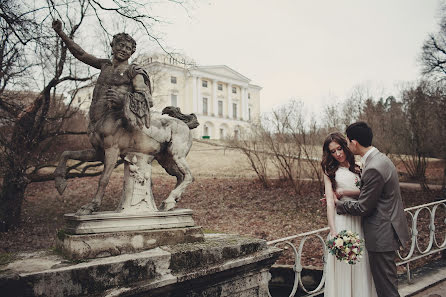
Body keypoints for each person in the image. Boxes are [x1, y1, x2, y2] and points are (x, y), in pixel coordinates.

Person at [335, 122, 410, 297]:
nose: (346, 145)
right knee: (386, 286)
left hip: (381, 234)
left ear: (354, 143)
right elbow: (374, 195)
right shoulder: (381, 159)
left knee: (386, 290)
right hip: (387, 229)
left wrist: (339, 204)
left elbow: (364, 207)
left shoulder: (374, 167)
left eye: (347, 141)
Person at [52, 19, 152, 137]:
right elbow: (81, 54)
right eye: (121, 45)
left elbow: (146, 99)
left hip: (117, 120)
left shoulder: (133, 71)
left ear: (132, 52)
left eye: (128, 48)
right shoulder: (105, 65)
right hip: (96, 120)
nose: (124, 50)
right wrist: (61, 33)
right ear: (113, 45)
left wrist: (123, 100)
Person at [321, 132, 377, 297]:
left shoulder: (359, 166)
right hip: (342, 221)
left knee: (361, 264)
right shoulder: (329, 170)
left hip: (360, 220)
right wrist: (333, 231)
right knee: (344, 266)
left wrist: (345, 191)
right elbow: (330, 202)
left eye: (339, 148)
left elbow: (367, 194)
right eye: (333, 151)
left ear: (345, 146)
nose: (338, 154)